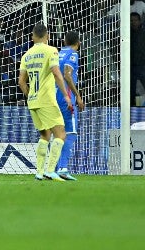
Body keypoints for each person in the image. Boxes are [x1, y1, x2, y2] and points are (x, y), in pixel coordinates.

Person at [18, 23, 72, 182]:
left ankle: (39, 172)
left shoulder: (26, 55)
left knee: (45, 135)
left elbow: (21, 81)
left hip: (33, 101)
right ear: (47, 35)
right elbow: (56, 73)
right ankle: (50, 170)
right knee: (61, 134)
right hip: (47, 100)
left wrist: (30, 96)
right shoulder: (51, 50)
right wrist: (66, 95)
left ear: (33, 36)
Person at [55, 31, 85, 181]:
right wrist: (77, 95)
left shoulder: (58, 53)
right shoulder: (73, 54)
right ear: (78, 43)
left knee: (57, 133)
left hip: (53, 96)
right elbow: (67, 74)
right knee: (70, 133)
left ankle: (52, 169)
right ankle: (63, 168)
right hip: (66, 98)